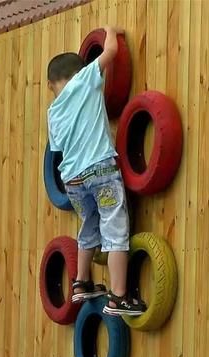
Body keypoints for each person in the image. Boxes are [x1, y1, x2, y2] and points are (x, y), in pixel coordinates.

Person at [46, 26, 145, 315]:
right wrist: (111, 30)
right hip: (99, 168)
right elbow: (111, 51)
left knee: (89, 225)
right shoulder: (86, 79)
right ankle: (119, 295)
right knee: (115, 229)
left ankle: (81, 282)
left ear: (53, 83)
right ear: (80, 71)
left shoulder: (52, 113)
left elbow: (57, 149)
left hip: (72, 179)